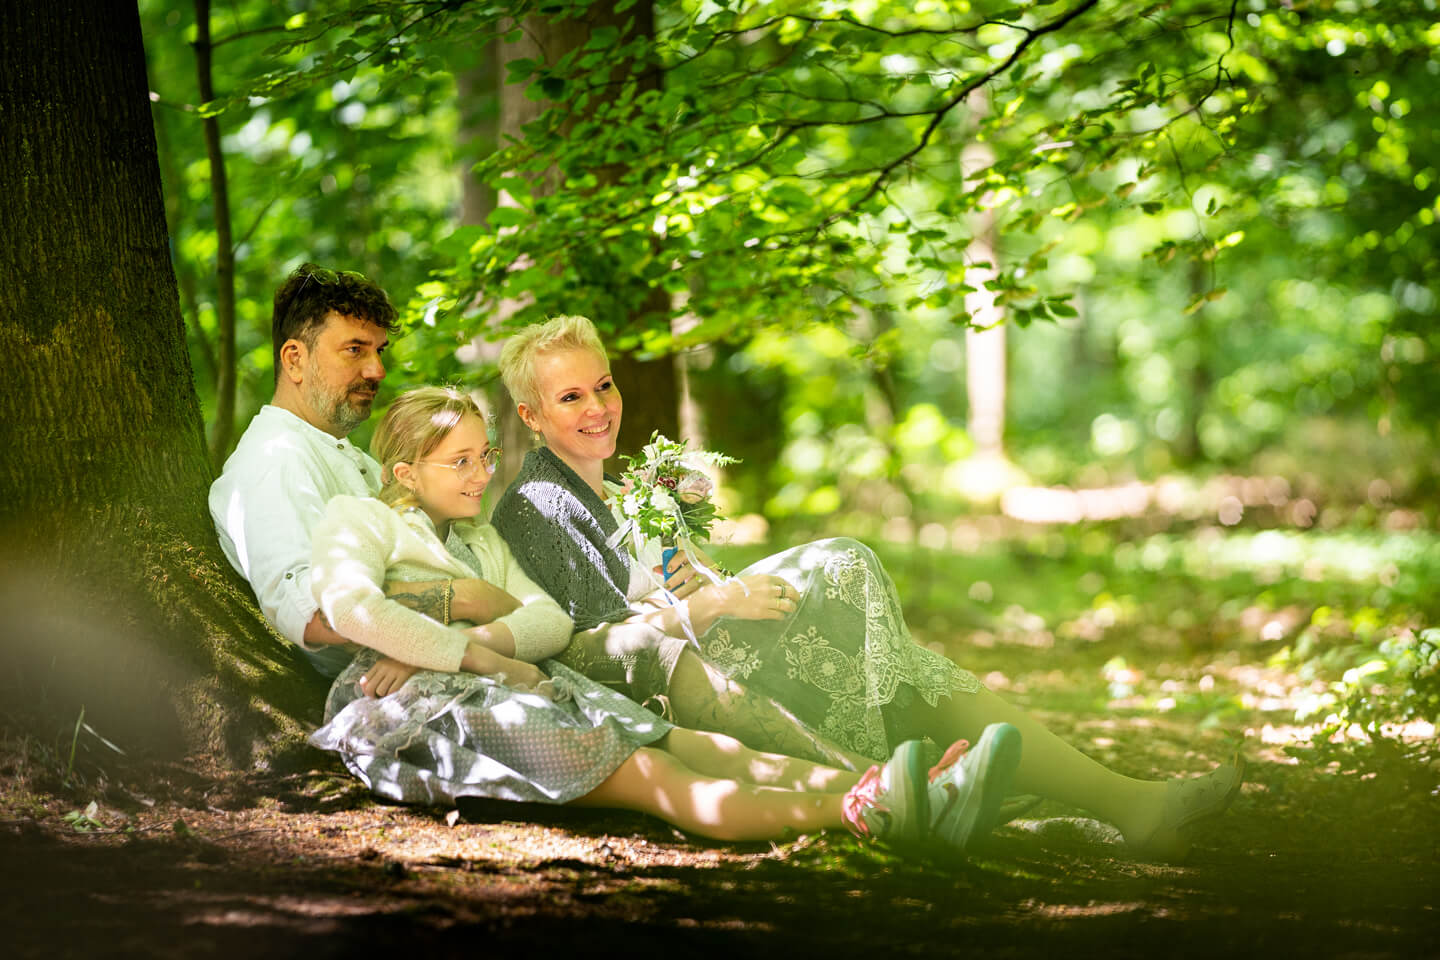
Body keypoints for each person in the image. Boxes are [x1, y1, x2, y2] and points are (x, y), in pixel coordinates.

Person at [491, 315, 1243, 861]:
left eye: (604, 385)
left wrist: (704, 577)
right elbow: (590, 647)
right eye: (570, 398)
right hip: (674, 685)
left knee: (906, 662)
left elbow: (668, 586)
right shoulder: (535, 506)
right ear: (530, 415)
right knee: (850, 585)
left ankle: (1129, 803)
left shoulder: (623, 487)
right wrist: (717, 601)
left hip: (712, 645)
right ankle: (1003, 805)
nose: (599, 408)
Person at [306, 385, 1022, 852]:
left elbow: (547, 622)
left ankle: (910, 788)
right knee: (655, 772)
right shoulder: (359, 519)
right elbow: (352, 607)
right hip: (419, 706)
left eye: (484, 455)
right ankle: (867, 808)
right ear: (405, 473)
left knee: (702, 745)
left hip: (523, 680)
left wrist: (463, 627)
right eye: (459, 461)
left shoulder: (483, 542)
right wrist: (477, 650)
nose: (481, 474)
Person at [209, 264, 516, 684]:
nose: (377, 371)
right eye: (355, 349)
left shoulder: (342, 454)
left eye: (379, 351)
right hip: (402, 691)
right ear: (295, 360)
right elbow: (314, 613)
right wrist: (459, 599)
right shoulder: (273, 460)